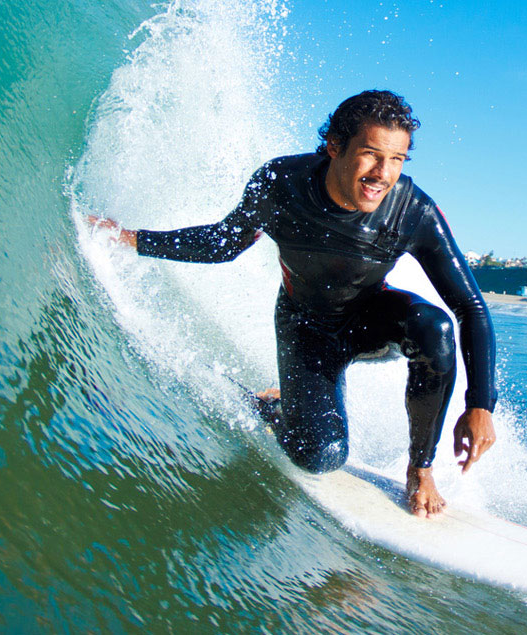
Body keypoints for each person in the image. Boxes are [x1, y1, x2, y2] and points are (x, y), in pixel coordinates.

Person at [86, 90, 496, 518]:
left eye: (397, 159)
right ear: (335, 146)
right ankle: (276, 404)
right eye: (372, 154)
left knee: (435, 329)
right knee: (321, 457)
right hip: (306, 330)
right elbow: (222, 244)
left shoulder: (412, 210)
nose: (383, 174)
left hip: (371, 322)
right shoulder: (283, 184)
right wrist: (133, 238)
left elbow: (470, 307)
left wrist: (481, 404)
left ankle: (420, 469)